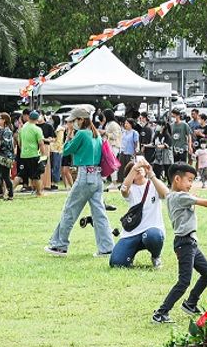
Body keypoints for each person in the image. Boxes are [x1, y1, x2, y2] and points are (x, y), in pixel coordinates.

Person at [151, 163, 207, 324]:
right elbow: (206, 203)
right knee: (184, 281)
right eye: (189, 180)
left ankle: (190, 303)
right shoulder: (180, 196)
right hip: (185, 243)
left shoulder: (171, 195)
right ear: (177, 179)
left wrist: (151, 176)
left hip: (189, 243)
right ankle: (161, 313)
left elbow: (163, 189)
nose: (191, 184)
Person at [45, 106, 114, 257]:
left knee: (70, 210)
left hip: (84, 176)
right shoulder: (95, 134)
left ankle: (59, 245)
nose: (71, 124)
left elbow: (66, 149)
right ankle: (107, 247)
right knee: (99, 214)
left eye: (73, 120)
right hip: (97, 177)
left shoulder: (82, 134)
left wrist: (69, 135)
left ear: (81, 120)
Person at [110, 158, 168, 269]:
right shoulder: (131, 189)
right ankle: (129, 254)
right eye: (134, 169)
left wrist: (151, 173)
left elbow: (165, 194)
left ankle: (156, 257)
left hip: (151, 230)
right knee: (116, 263)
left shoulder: (153, 185)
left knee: (153, 236)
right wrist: (134, 168)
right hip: (132, 233)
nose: (138, 169)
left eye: (141, 168)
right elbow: (124, 190)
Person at [17, 110, 45, 196]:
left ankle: (9, 191)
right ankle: (39, 192)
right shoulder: (37, 129)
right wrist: (43, 155)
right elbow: (41, 143)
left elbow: (19, 142)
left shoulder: (22, 128)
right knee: (36, 175)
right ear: (37, 119)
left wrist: (23, 150)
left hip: (23, 155)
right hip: (34, 155)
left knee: (20, 175)